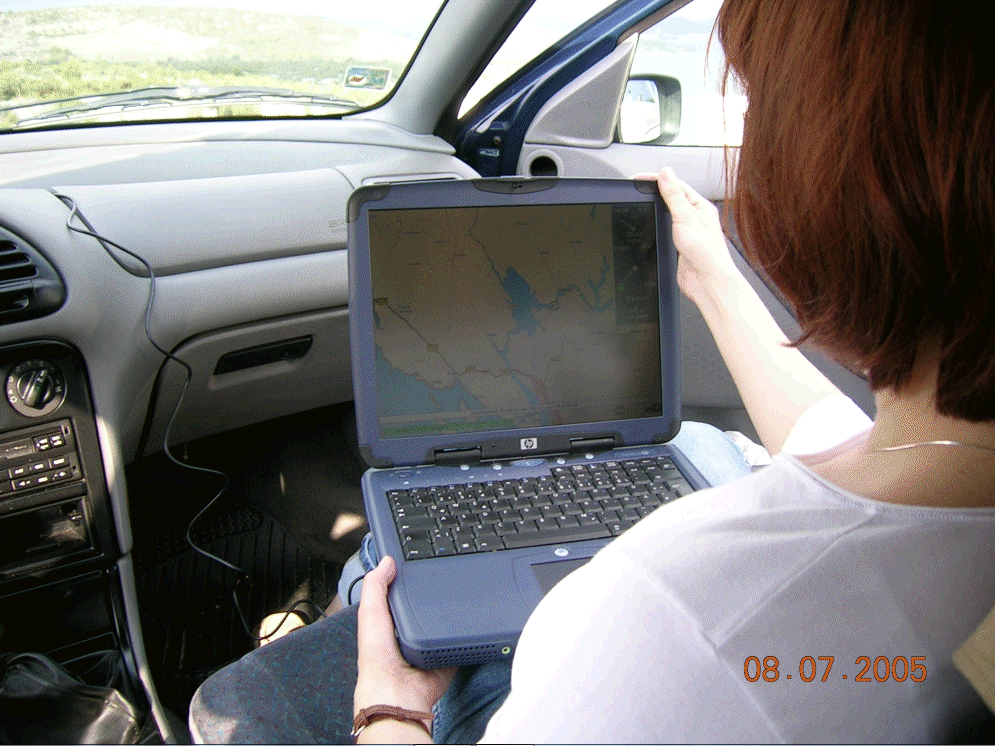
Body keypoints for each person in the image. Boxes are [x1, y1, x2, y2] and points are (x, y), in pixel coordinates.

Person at [189, 0, 995, 741]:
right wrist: (713, 276)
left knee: (373, 573)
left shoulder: (673, 611)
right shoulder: (949, 491)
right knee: (701, 449)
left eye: (758, 111)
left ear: (835, 192)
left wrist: (389, 709)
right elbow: (858, 455)